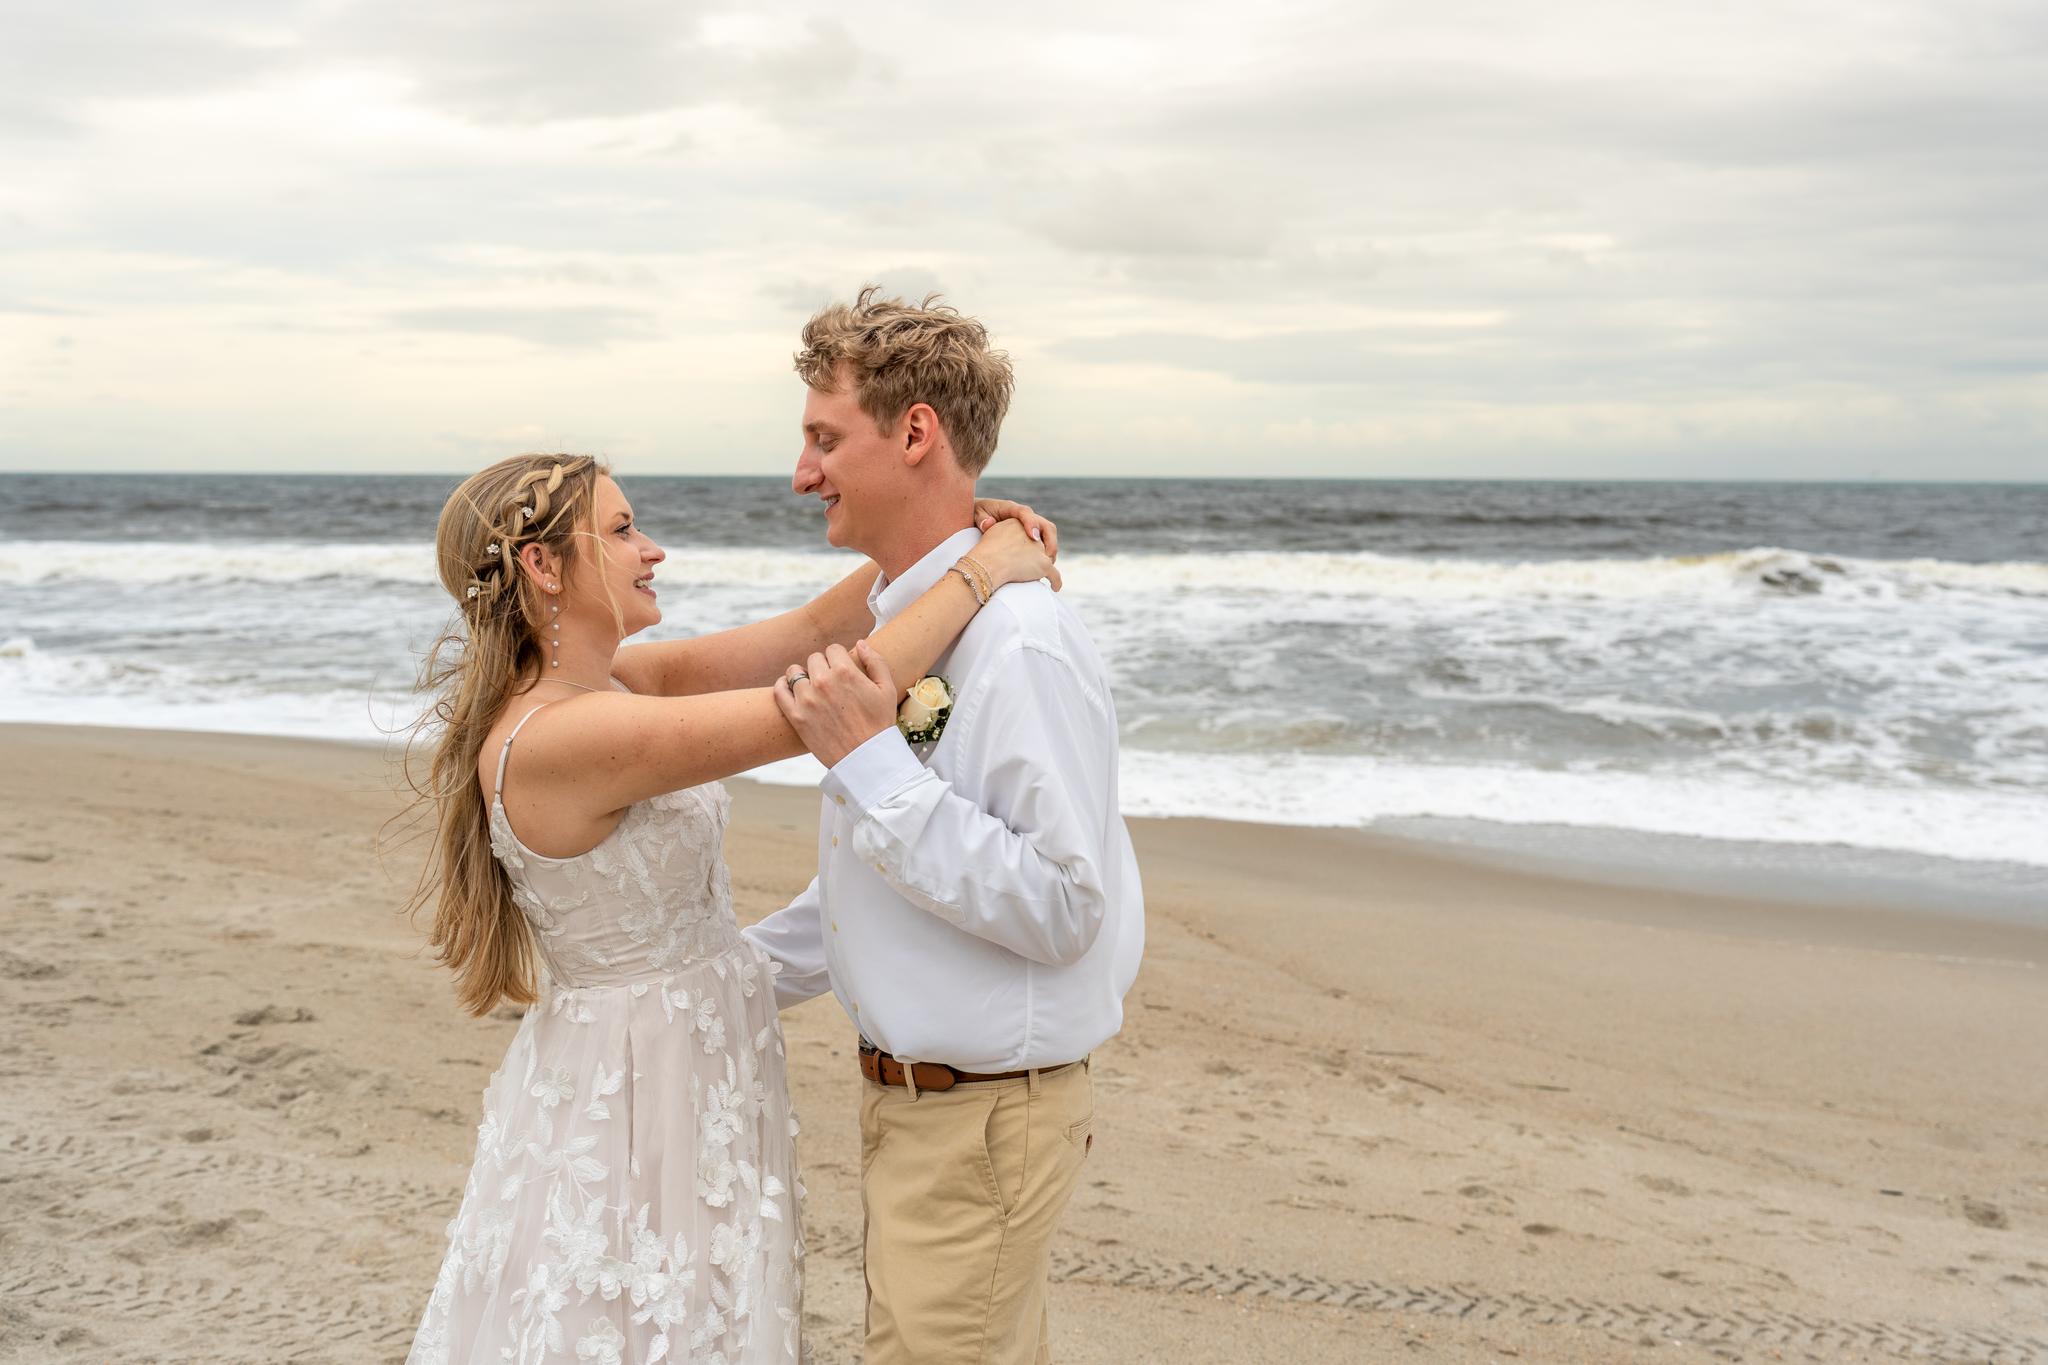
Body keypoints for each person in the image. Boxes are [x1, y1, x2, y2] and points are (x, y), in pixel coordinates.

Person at [398, 451, 1059, 1364]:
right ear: (545, 568)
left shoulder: (621, 685)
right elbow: (828, 706)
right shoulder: (564, 736)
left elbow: (812, 631)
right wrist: (985, 572)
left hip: (694, 1059)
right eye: (623, 530)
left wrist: (940, 531)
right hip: (638, 1090)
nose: (652, 549)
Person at [744, 290, 1146, 1365]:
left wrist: (873, 762)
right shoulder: (913, 622)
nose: (801, 473)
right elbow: (878, 894)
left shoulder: (1016, 643)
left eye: (824, 439)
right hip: (928, 1116)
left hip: (981, 1124)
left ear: (914, 432)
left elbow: (1067, 906)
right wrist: (719, 977)